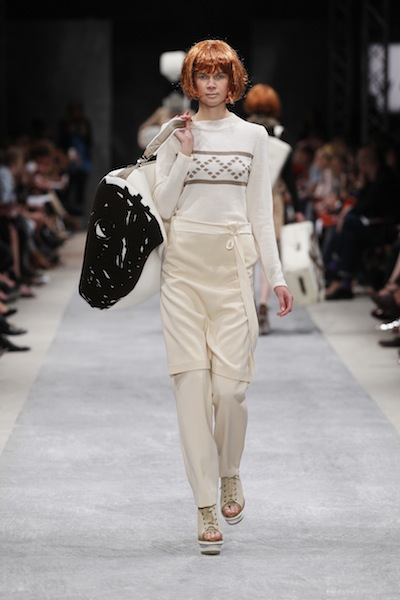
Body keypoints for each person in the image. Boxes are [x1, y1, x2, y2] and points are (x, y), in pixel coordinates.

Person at [153, 39, 293, 555]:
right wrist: (185, 156)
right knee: (192, 389)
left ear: (234, 81)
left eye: (219, 74)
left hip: (234, 268)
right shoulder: (175, 133)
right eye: (203, 75)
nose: (211, 83)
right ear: (190, 81)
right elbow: (162, 205)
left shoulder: (253, 137)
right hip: (183, 271)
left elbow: (261, 213)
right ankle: (205, 504)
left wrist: (276, 276)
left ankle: (229, 469)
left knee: (231, 391)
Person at [243, 83, 303, 334]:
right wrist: (297, 207)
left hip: (244, 196)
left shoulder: (242, 130)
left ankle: (247, 306)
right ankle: (264, 306)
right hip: (272, 197)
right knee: (269, 252)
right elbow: (289, 176)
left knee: (246, 251)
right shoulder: (281, 133)